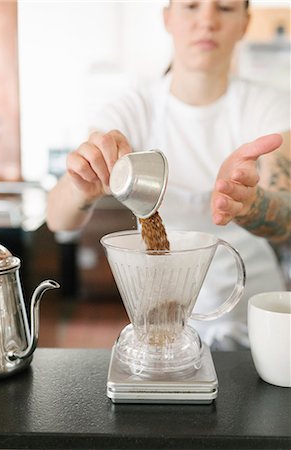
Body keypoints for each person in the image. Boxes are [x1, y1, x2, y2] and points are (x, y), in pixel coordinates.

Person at [47, 0, 290, 350]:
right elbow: (58, 220)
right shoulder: (133, 109)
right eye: (191, 6)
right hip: (162, 317)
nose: (207, 21)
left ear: (244, 22)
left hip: (256, 314)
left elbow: (287, 217)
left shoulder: (268, 106)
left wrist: (252, 205)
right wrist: (82, 188)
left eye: (224, 8)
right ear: (167, 17)